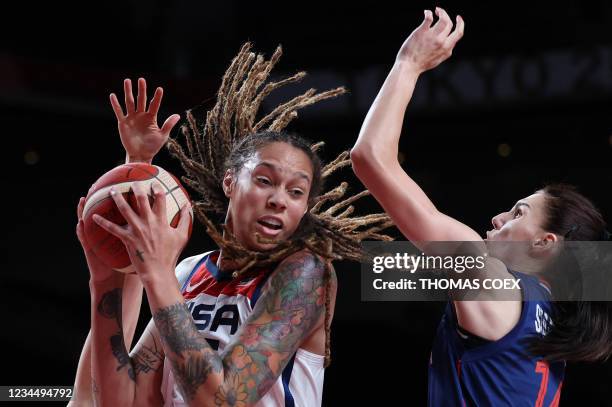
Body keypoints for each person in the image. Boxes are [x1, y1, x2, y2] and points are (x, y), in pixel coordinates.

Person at [71, 43, 391, 407]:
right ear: (229, 183)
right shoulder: (186, 273)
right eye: (265, 180)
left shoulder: (305, 273)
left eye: (296, 191)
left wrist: (157, 275)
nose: (279, 200)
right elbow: (121, 402)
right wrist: (106, 279)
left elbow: (224, 401)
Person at [350, 7, 612, 406]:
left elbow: (370, 158)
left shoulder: (489, 280)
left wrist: (408, 64)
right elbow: (394, 272)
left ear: (545, 243)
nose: (498, 217)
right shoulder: (548, 327)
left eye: (518, 212)